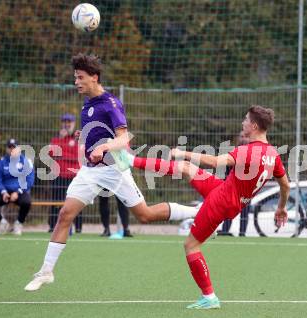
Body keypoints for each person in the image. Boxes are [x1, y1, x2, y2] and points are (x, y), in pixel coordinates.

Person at [24, 53, 199, 292]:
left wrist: (105, 146)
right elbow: (96, 133)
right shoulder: (87, 103)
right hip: (90, 171)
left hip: (114, 169)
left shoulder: (111, 103)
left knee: (145, 215)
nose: (76, 82)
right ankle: (46, 271)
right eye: (75, 77)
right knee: (65, 214)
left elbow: (124, 137)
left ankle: (198, 211)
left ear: (94, 77)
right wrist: (85, 138)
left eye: (80, 77)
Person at [113, 105, 290, 309]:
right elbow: (285, 184)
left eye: (245, 120)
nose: (242, 123)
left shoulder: (247, 151)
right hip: (226, 193)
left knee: (190, 246)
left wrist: (183, 152)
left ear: (254, 125)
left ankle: (209, 297)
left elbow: (215, 162)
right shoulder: (273, 155)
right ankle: (130, 160)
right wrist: (281, 207)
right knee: (186, 169)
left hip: (221, 201)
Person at [0, 138, 35, 235]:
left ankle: (19, 223)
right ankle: (2, 222)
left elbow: (29, 180)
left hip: (20, 191)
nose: (12, 149)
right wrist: (3, 192)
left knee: (27, 202)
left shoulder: (26, 162)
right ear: (6, 149)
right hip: (4, 192)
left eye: (15, 147)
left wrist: (18, 192)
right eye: (10, 147)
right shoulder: (1, 162)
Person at [48, 113, 82, 233]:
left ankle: (78, 227)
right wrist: (62, 141)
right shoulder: (56, 139)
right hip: (59, 175)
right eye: (64, 122)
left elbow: (77, 155)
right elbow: (52, 153)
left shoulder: (78, 138)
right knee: (56, 201)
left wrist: (62, 155)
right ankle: (53, 226)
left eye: (69, 122)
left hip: (73, 176)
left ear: (73, 124)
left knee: (76, 201)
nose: (66, 125)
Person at [218, 130, 250, 236]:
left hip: (247, 189)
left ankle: (242, 233)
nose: (243, 138)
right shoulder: (233, 153)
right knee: (229, 209)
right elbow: (226, 172)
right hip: (233, 188)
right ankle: (225, 230)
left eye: (245, 136)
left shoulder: (254, 153)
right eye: (241, 136)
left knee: (244, 212)